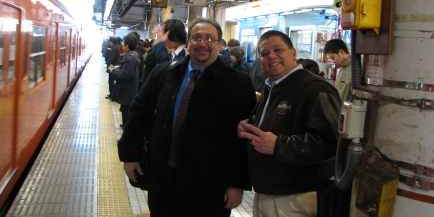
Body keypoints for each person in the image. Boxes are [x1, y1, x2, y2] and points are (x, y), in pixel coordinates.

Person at [118, 18, 257, 217]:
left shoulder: (238, 84)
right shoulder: (165, 73)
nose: (202, 43)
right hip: (164, 178)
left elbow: (241, 140)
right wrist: (130, 155)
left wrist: (237, 184)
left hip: (209, 185)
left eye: (209, 38)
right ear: (188, 43)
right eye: (197, 38)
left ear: (219, 44)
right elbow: (139, 113)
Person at [237, 30, 341, 217]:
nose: (272, 57)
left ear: (293, 53)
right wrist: (249, 127)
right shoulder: (273, 87)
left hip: (296, 198)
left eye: (278, 50)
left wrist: (279, 145)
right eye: (265, 53)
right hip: (267, 193)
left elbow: (330, 143)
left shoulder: (315, 89)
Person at [109, 35, 141, 127]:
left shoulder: (129, 58)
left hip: (127, 89)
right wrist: (120, 68)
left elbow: (126, 74)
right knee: (125, 109)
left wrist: (114, 71)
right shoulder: (134, 55)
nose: (122, 45)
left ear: (127, 45)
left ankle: (126, 130)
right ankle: (125, 125)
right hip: (130, 88)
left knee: (126, 110)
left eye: (123, 43)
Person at [323, 38, 352, 103]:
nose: (333, 61)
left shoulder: (353, 70)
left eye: (333, 57)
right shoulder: (343, 68)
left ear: (341, 52)